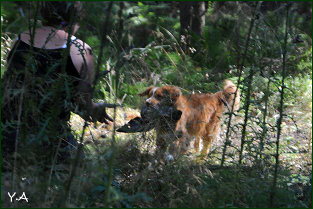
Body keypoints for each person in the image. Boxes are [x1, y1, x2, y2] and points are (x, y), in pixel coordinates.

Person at [2, 2, 113, 165]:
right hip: (50, 139)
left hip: (7, 132)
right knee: (81, 165)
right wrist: (98, 109)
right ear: (75, 19)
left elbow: (8, 86)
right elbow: (84, 106)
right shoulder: (81, 49)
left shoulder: (20, 39)